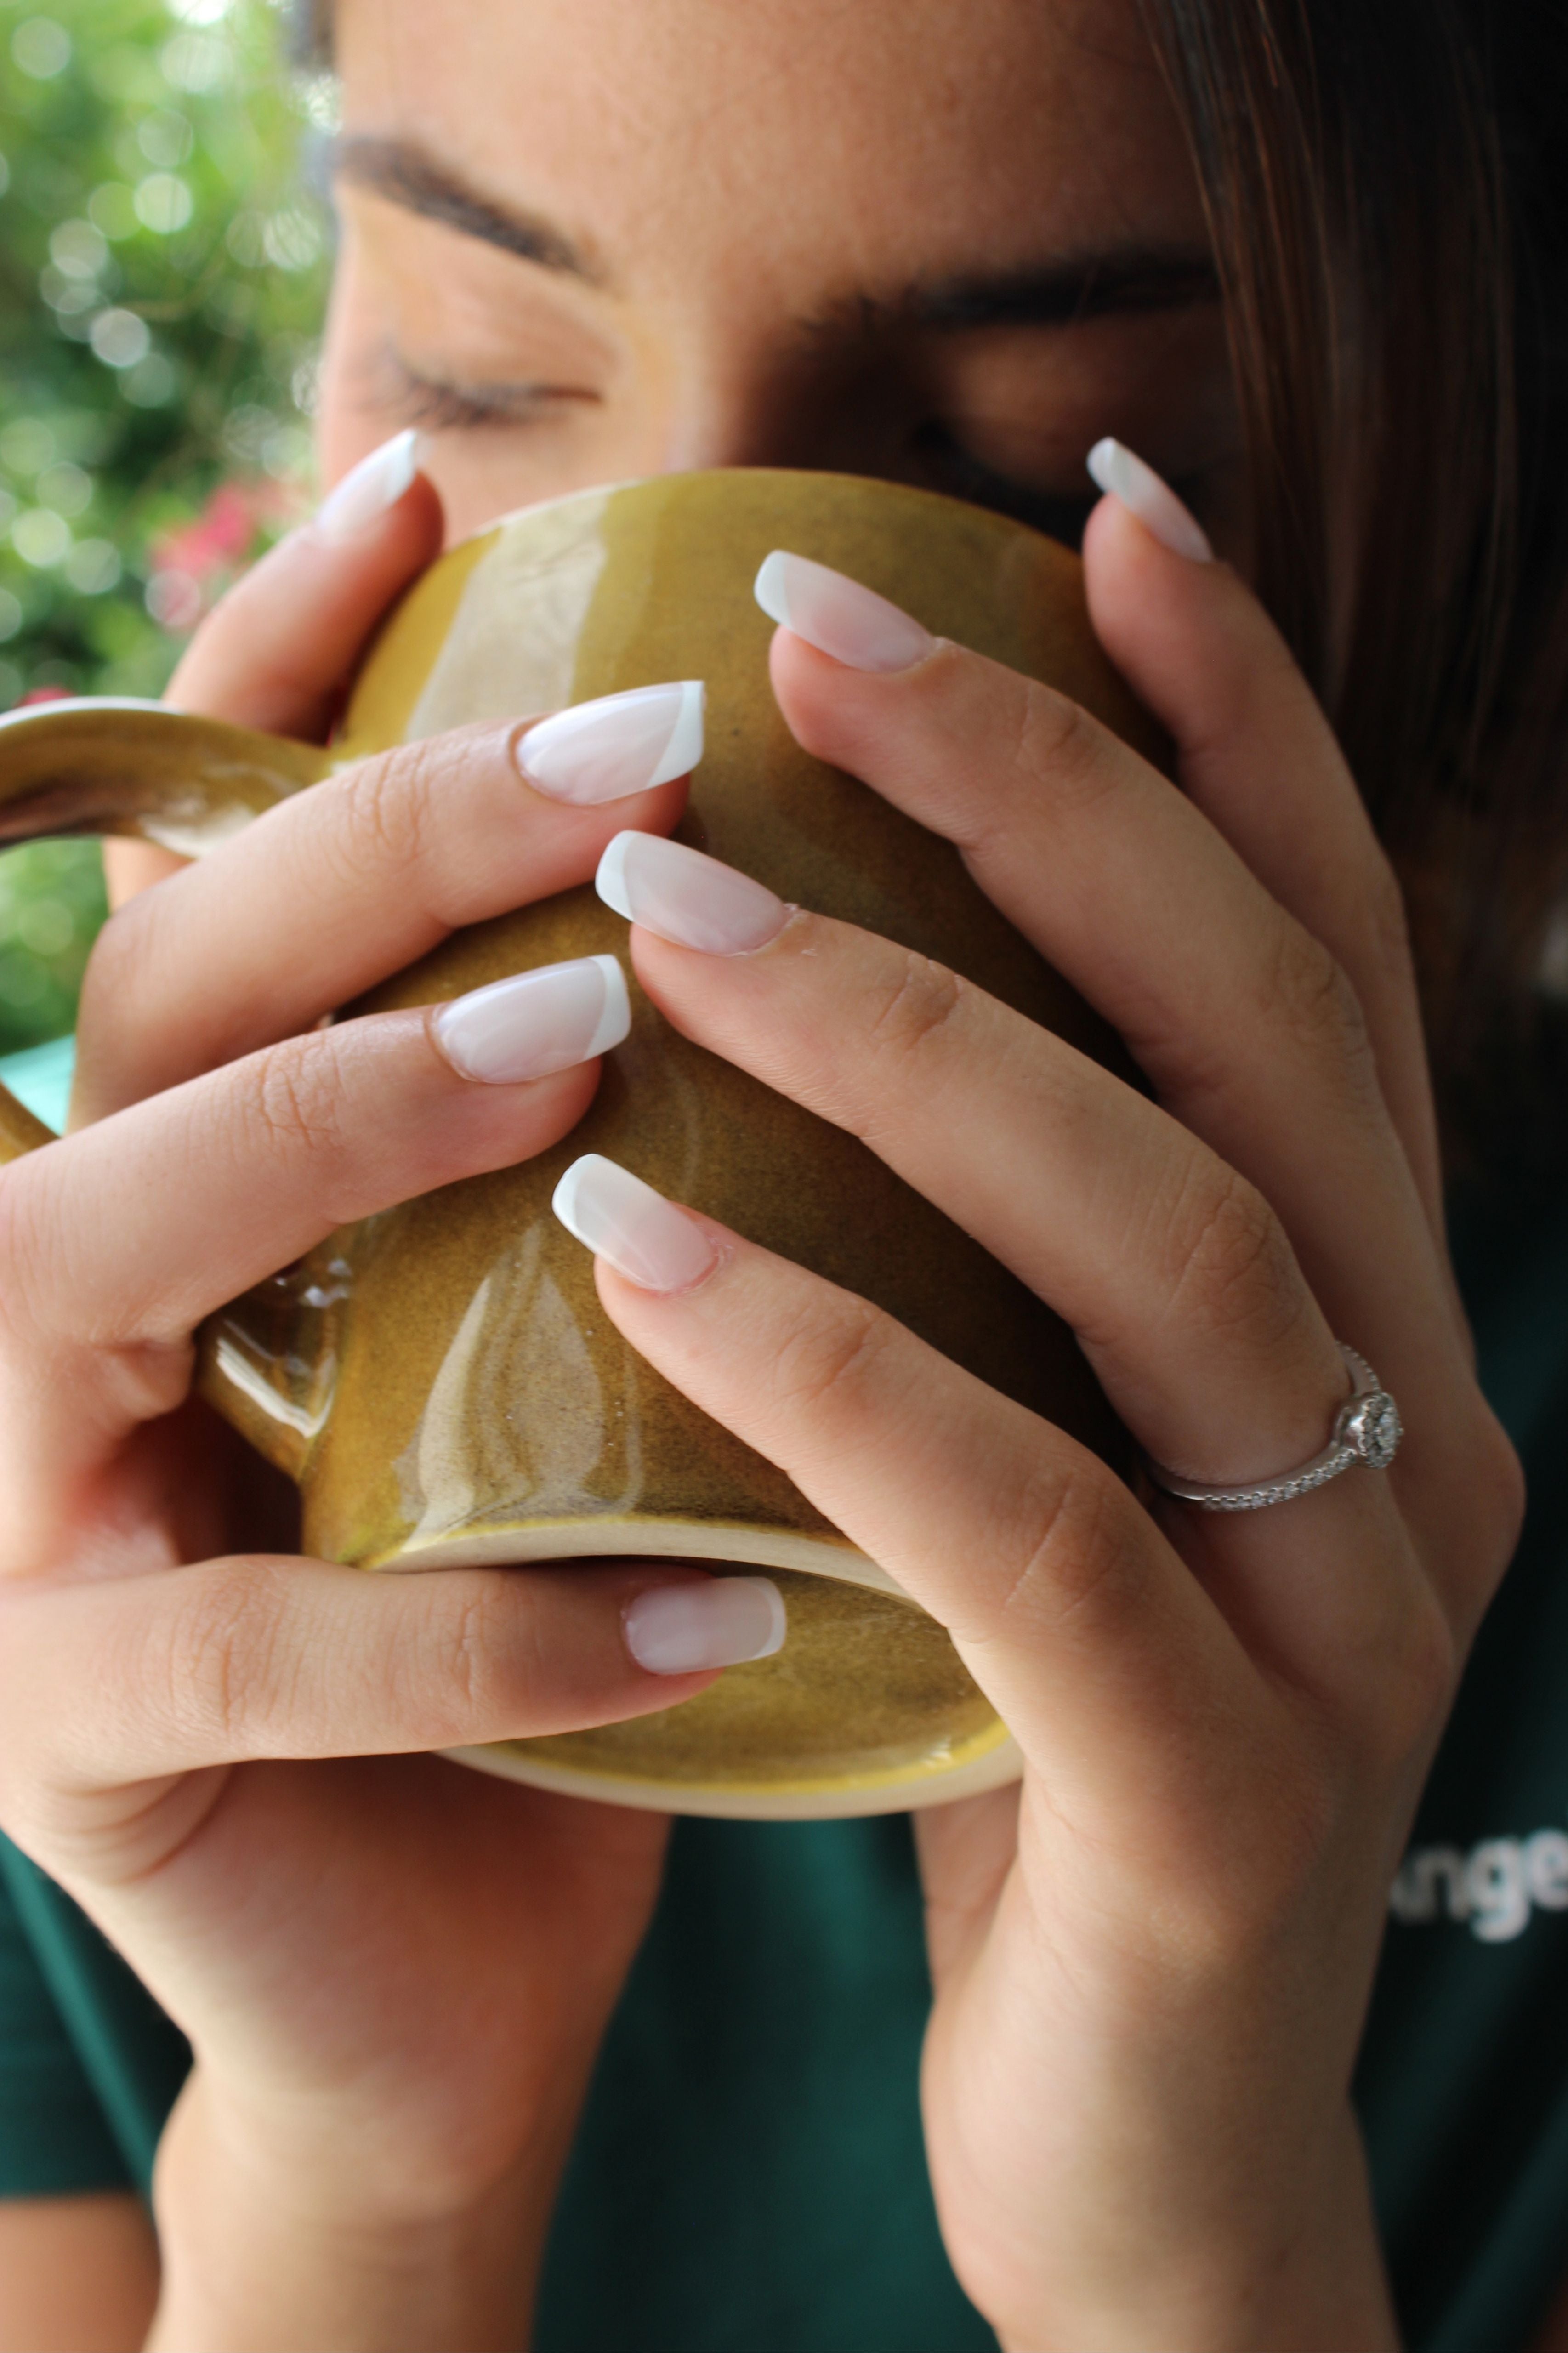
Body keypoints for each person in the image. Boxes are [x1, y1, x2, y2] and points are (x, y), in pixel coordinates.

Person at [1, 0, 1566, 2345]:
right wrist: (361, 2178)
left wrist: (1191, 2261)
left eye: (1047, 470)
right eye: (470, 363)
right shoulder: (74, 1461)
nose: (693, 670)